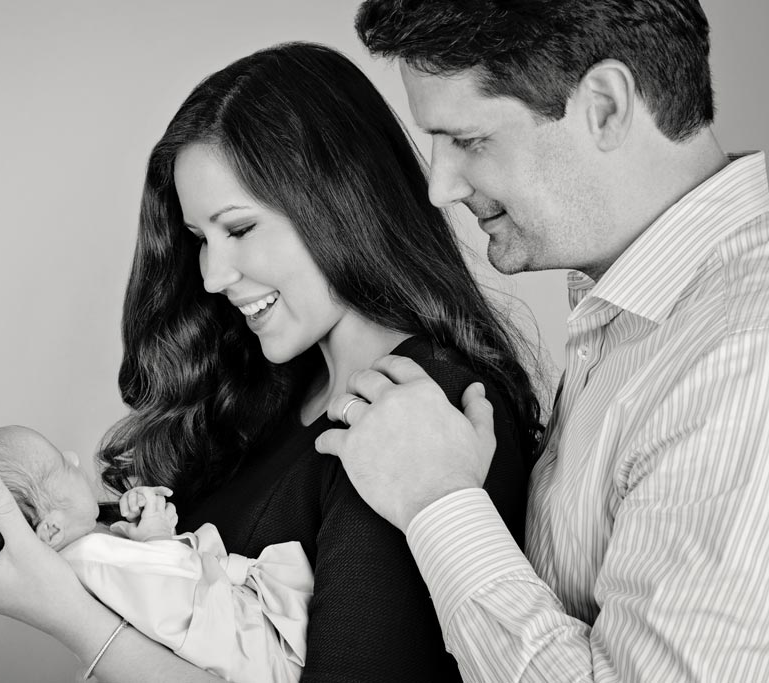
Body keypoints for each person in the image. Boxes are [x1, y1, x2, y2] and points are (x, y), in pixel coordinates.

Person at [0, 41, 542, 681]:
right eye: (198, 240)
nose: (212, 276)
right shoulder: (271, 389)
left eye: (238, 229)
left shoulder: (417, 416)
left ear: (341, 201)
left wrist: (72, 619)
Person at [316, 2, 769, 681]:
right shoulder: (639, 307)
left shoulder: (739, 354)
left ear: (607, 107)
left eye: (469, 140)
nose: (439, 188)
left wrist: (438, 498)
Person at [0, 425, 312, 683]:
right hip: (250, 656)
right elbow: (177, 585)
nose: (75, 458)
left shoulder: (77, 562)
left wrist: (140, 537)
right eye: (63, 465)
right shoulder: (94, 556)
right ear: (51, 529)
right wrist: (160, 537)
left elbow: (152, 607)